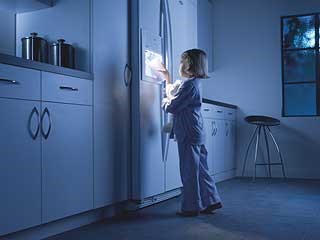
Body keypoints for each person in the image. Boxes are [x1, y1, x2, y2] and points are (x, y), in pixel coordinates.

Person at [158, 49, 222, 217]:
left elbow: (172, 106)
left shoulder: (188, 85)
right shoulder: (195, 83)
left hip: (188, 133)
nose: (180, 64)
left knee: (189, 171)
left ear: (188, 64)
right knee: (201, 169)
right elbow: (177, 94)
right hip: (197, 131)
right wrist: (167, 78)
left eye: (182, 61)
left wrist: (164, 101)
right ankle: (211, 200)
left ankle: (191, 207)